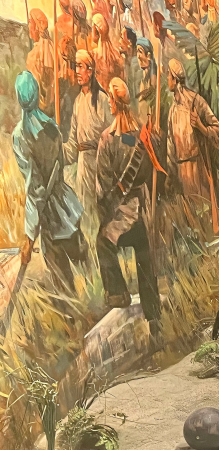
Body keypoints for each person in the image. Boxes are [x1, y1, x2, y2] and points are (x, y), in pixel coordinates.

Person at [12, 71, 87, 297]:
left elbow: (35, 191)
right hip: (68, 207)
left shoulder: (20, 136)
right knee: (82, 268)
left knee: (63, 284)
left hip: (50, 217)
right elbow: (60, 167)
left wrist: (29, 238)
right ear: (37, 94)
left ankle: (74, 315)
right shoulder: (52, 127)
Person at [96, 78, 163, 326]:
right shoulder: (140, 137)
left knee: (102, 242)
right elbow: (151, 172)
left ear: (115, 103)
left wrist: (105, 212)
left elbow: (101, 188)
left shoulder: (108, 138)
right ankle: (153, 315)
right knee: (144, 254)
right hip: (142, 212)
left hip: (121, 216)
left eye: (110, 99)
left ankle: (118, 294)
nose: (109, 103)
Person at [165, 57, 219, 207]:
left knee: (203, 213)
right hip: (182, 176)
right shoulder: (172, 111)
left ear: (175, 79)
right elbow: (170, 147)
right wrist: (170, 176)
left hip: (198, 172)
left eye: (168, 75)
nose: (167, 78)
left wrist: (202, 128)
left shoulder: (196, 102)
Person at [63, 50, 112, 237]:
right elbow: (72, 143)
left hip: (99, 166)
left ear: (90, 70)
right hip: (83, 166)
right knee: (84, 214)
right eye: (75, 66)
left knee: (100, 213)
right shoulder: (77, 102)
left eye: (80, 66)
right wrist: (58, 152)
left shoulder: (103, 100)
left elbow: (114, 136)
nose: (77, 71)